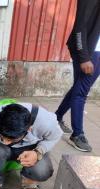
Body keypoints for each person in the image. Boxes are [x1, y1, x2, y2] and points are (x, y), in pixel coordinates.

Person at [55, 0, 100, 152]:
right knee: (81, 92)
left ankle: (56, 118)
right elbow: (80, 26)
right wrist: (84, 57)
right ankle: (77, 134)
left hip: (96, 51)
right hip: (89, 50)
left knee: (78, 88)